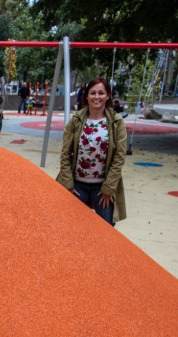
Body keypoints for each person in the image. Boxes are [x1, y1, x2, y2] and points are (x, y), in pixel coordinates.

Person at [57, 77, 127, 226]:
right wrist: (68, 184)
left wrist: (109, 188)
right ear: (87, 96)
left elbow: (119, 157)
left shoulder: (116, 121)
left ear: (107, 95)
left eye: (101, 93)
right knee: (69, 227)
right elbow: (65, 154)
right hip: (77, 185)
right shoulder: (76, 120)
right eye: (93, 93)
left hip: (102, 187)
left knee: (106, 230)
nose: (96, 97)